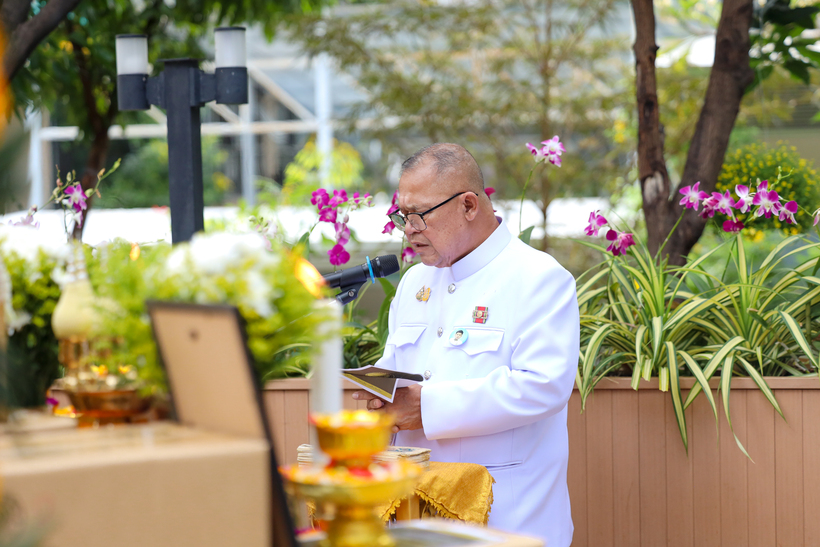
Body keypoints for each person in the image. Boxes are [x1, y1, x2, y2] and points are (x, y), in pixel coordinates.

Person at [352, 143, 580, 546]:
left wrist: (427, 408)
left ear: (469, 205)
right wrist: (382, 400)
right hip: (415, 517)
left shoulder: (538, 277)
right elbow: (397, 376)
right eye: (402, 216)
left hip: (506, 519)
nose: (409, 229)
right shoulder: (415, 281)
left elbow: (543, 386)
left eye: (419, 215)